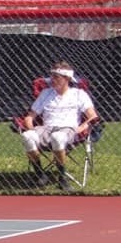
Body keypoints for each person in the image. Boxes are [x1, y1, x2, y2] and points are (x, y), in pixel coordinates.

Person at [21, 61, 98, 191]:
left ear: (67, 78)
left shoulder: (79, 94)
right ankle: (40, 174)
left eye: (56, 77)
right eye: (52, 76)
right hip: (46, 128)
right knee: (27, 136)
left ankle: (62, 177)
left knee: (57, 137)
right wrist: (31, 129)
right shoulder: (46, 93)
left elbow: (93, 116)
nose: (52, 79)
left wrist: (81, 128)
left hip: (67, 129)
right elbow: (30, 116)